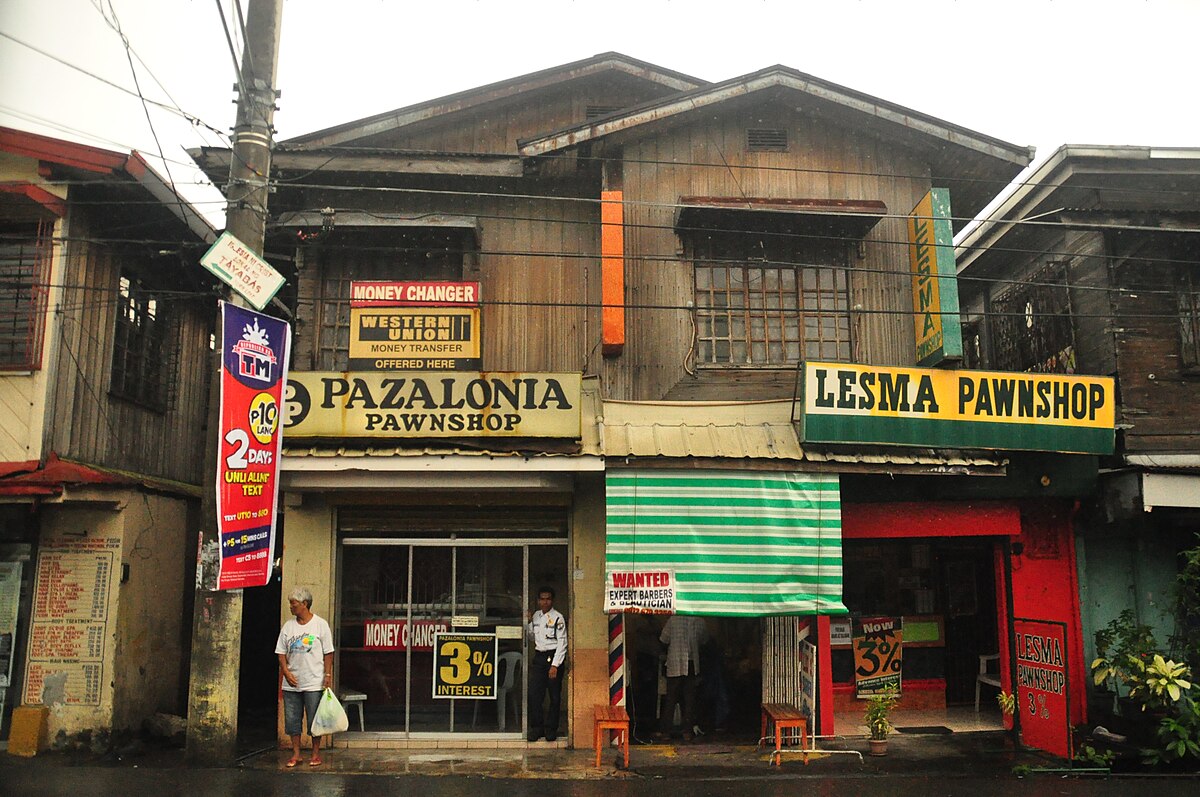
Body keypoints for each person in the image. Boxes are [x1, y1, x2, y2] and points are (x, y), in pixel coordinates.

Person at [275, 586, 335, 767]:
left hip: (314, 681)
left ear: (305, 604)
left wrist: (327, 674)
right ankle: (296, 754)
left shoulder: (320, 624)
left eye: (293, 603)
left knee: (314, 719)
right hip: (291, 683)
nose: (291, 607)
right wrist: (286, 672)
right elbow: (281, 653)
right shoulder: (288, 626)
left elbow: (328, 652)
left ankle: (315, 754)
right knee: (293, 720)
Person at [656, 614, 708, 742]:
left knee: (671, 699)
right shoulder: (699, 620)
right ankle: (687, 732)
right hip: (691, 664)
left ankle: (666, 732)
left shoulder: (673, 620)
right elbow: (704, 640)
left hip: (675, 663)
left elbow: (663, 639)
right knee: (689, 700)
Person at [526, 585, 566, 742]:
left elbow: (562, 642)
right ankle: (537, 728)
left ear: (552, 600)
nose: (545, 602)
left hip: (553, 658)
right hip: (539, 658)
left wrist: (555, 665)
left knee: (554, 697)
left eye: (548, 599)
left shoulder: (558, 618)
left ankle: (551, 729)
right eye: (542, 599)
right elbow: (531, 638)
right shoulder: (536, 616)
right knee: (535, 695)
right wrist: (529, 622)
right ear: (538, 601)